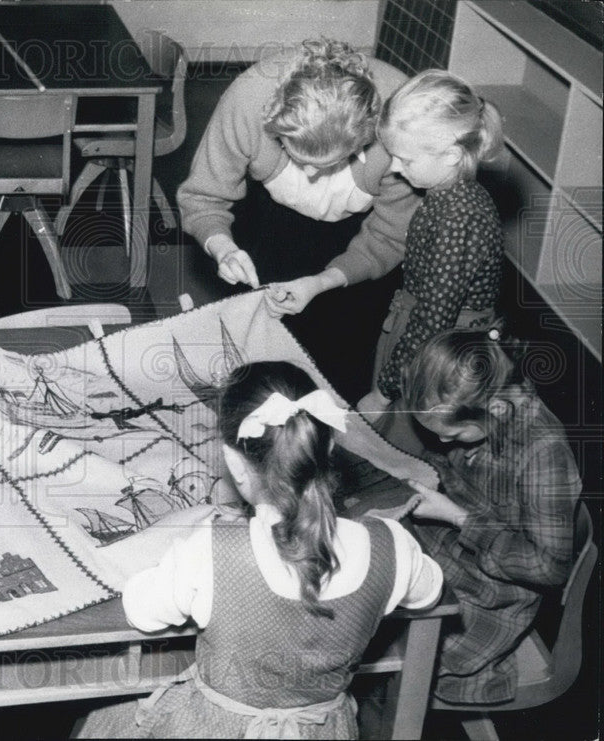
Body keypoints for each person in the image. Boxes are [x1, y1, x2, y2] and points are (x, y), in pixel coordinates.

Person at [76, 361, 443, 739]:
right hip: (322, 730)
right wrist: (375, 538)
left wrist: (173, 556)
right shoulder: (391, 546)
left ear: (234, 463)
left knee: (104, 717)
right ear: (329, 446)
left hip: (212, 730)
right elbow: (430, 591)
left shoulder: (211, 549)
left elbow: (143, 612)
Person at [269, 70, 505, 447]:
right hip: (421, 332)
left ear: (452, 154)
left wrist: (383, 392)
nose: (394, 167)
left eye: (404, 159)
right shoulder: (449, 195)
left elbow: (431, 323)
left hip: (434, 352)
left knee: (401, 436)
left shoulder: (457, 222)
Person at [177, 39, 418, 399]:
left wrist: (322, 282)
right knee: (262, 349)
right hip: (270, 214)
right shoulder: (246, 100)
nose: (310, 175)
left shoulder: (402, 128)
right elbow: (203, 196)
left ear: (365, 139)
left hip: (363, 232)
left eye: (327, 165)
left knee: (344, 363)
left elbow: (388, 237)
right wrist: (223, 248)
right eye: (297, 158)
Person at [402, 329, 582, 705]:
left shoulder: (544, 453)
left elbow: (548, 568)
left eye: (453, 434)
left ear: (495, 410)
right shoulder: (486, 407)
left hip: (489, 598)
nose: (443, 442)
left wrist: (458, 517)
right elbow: (450, 461)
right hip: (446, 552)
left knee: (388, 645)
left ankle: (395, 712)